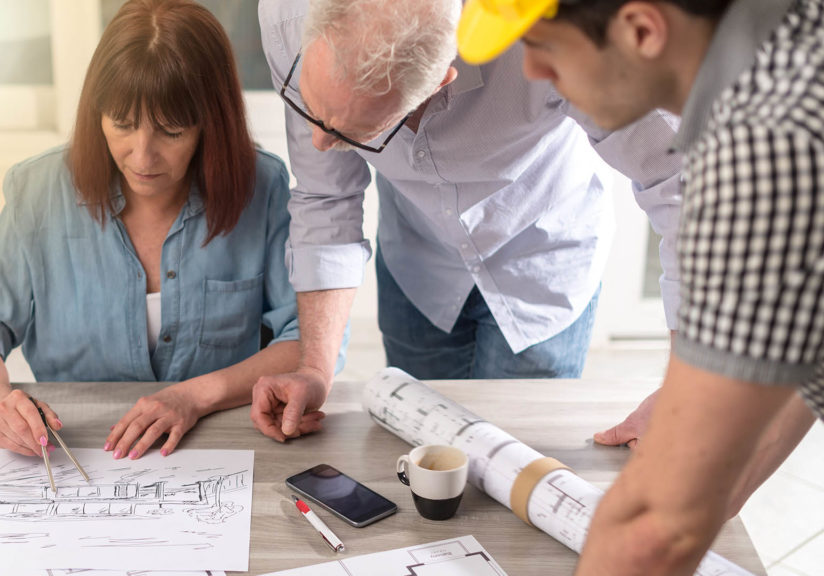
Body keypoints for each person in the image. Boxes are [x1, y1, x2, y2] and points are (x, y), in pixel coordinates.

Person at [457, 0, 822, 574]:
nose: (529, 72)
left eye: (544, 45)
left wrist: (690, 465)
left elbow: (658, 527)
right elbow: (802, 347)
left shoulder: (762, 148)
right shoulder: (792, 39)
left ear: (641, 30)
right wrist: (700, 409)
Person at [251, 0, 683, 442]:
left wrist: (685, 395)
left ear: (439, 84)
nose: (318, 141)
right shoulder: (287, 17)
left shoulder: (559, 30)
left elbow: (682, 182)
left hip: (542, 256)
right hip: (416, 263)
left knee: (518, 457)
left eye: (350, 133)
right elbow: (326, 197)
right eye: (312, 108)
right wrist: (315, 369)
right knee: (425, 444)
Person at [0, 0, 322, 462]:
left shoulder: (261, 187)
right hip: (72, 449)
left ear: (211, 124)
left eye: (171, 131)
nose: (142, 157)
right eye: (122, 124)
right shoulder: (38, 192)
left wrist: (193, 396)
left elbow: (304, 338)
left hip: (221, 444)